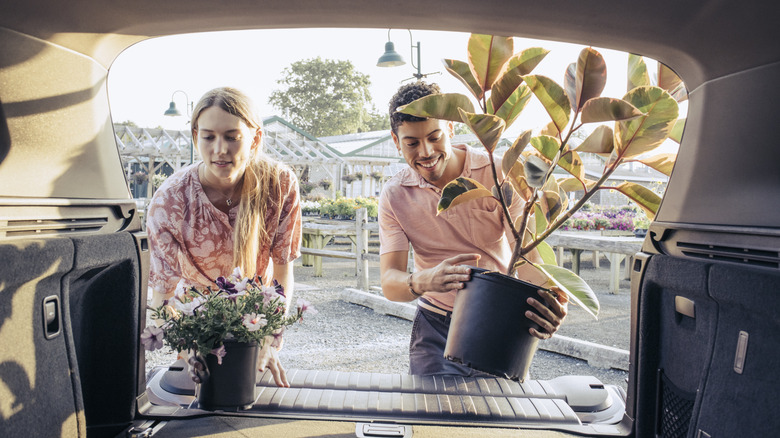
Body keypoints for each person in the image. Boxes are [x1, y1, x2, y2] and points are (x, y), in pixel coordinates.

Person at [378, 82, 567, 378]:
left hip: (497, 321)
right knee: (431, 417)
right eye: (411, 143)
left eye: (434, 137)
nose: (425, 152)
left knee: (497, 416)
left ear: (451, 129)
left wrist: (550, 302)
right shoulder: (395, 194)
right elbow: (390, 282)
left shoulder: (500, 173)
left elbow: (527, 259)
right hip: (434, 326)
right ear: (395, 140)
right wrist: (424, 280)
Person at [146, 87, 302, 387]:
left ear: (255, 138)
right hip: (195, 322)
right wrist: (189, 350)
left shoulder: (280, 184)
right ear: (195, 137)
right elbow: (162, 298)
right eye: (209, 137)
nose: (220, 149)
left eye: (232, 137)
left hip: (255, 320)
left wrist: (269, 340)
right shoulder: (170, 200)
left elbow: (282, 274)